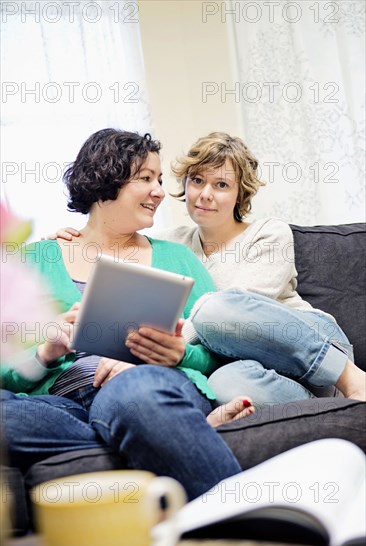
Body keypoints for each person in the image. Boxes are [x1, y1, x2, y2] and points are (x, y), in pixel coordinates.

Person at [1, 128, 254, 502]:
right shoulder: (35, 259)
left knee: (136, 394)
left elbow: (221, 349)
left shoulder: (176, 258)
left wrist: (178, 354)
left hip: (144, 383)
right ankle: (176, 428)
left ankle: (242, 514)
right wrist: (45, 352)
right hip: (59, 405)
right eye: (146, 178)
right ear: (106, 178)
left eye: (160, 180)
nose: (159, 191)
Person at [53, 132, 366, 404]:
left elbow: (235, 306)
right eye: (197, 180)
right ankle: (322, 407)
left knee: (214, 306)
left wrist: (151, 350)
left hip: (311, 341)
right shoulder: (166, 245)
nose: (205, 194)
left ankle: (351, 378)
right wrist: (66, 241)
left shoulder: (269, 233)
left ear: (239, 194)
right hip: (256, 367)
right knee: (221, 386)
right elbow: (114, 248)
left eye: (221, 184)